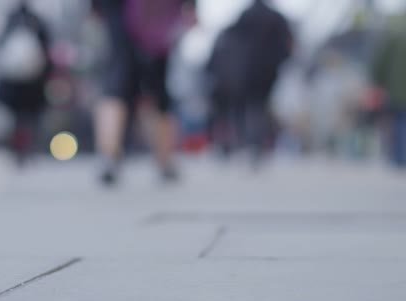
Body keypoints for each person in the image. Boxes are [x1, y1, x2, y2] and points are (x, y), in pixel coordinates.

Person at [91, 0, 197, 185]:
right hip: (155, 14)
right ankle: (164, 159)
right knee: (157, 89)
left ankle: (109, 156)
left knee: (117, 84)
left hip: (121, 12)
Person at [207, 0, 292, 161]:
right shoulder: (277, 17)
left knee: (248, 107)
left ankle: (245, 143)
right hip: (269, 70)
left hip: (249, 69)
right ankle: (256, 144)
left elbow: (231, 36)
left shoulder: (246, 15)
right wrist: (280, 61)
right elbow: (287, 44)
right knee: (260, 106)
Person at [0, 1, 52, 167]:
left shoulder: (9, 21)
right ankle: (27, 148)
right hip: (33, 80)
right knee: (30, 118)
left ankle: (17, 148)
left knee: (16, 118)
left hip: (13, 81)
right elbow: (47, 48)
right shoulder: (38, 21)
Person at [370, 14, 406, 168]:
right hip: (397, 89)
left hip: (397, 90)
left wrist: (379, 81)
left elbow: (381, 64)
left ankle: (400, 157)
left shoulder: (396, 37)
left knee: (399, 122)